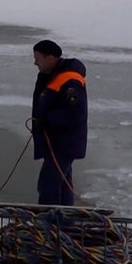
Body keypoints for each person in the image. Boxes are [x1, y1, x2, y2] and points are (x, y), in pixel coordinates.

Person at [31, 39, 88, 206]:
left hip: (64, 143)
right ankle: (65, 217)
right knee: (63, 183)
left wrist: (47, 120)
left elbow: (75, 113)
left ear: (50, 58)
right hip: (56, 141)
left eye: (37, 58)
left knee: (48, 183)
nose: (35, 63)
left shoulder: (70, 80)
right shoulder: (51, 76)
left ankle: (49, 218)